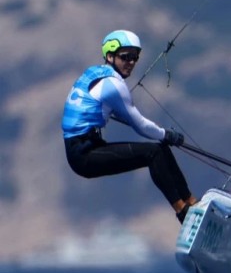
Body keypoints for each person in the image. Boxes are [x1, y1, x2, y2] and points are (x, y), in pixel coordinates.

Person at [63, 29, 197, 223]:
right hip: (83, 155)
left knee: (159, 149)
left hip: (88, 145)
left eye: (135, 57)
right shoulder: (113, 85)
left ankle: (192, 203)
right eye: (125, 57)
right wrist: (167, 134)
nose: (131, 63)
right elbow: (140, 125)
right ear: (110, 56)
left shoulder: (95, 73)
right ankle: (183, 213)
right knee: (154, 152)